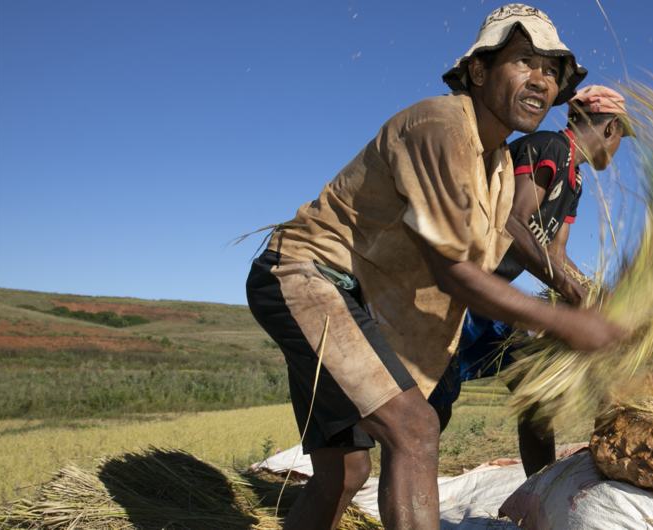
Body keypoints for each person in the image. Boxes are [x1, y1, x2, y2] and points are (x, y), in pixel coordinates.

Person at [245, 5, 623, 529]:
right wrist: (567, 321)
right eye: (523, 61)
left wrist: (578, 293)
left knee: (346, 471)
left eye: (551, 71)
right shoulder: (440, 125)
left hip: (359, 302)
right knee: (415, 429)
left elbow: (493, 258)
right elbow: (455, 270)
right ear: (478, 71)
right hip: (305, 276)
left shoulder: (494, 168)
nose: (541, 80)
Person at [427, 85, 633, 477]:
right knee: (431, 405)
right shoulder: (550, 149)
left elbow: (555, 254)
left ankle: (541, 492)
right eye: (622, 136)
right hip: (462, 289)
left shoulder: (574, 181)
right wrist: (574, 294)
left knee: (534, 391)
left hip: (489, 301)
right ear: (611, 129)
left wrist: (593, 294)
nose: (620, 146)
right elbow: (513, 221)